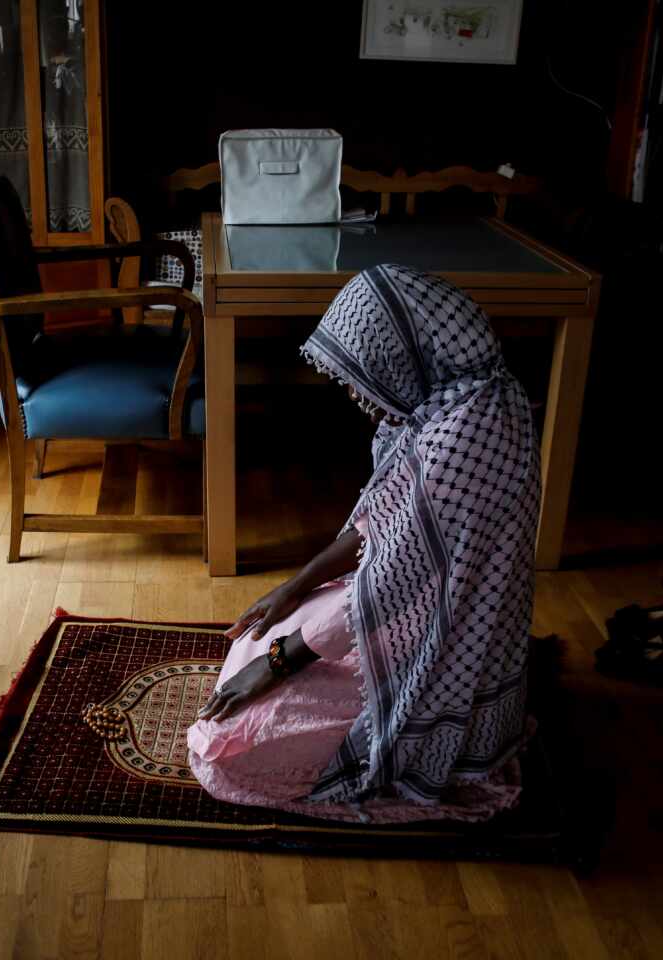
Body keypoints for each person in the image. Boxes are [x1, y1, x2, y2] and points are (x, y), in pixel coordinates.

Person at [186, 263, 541, 823]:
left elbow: (390, 587)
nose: (353, 391)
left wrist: (276, 665)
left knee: (235, 743)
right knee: (260, 643)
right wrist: (295, 586)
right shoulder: (443, 402)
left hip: (433, 643)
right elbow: (378, 528)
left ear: (405, 356)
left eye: (358, 375)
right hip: (409, 608)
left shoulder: (465, 436)